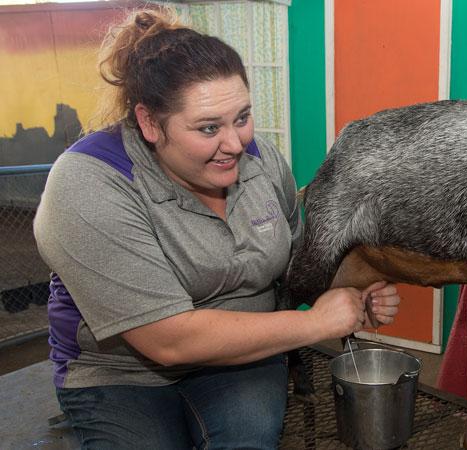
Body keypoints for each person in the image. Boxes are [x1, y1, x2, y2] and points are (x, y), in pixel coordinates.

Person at [33, 8, 400, 449]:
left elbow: (294, 263)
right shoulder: (89, 183)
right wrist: (318, 323)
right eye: (208, 128)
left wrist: (354, 292)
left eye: (242, 117)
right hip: (123, 373)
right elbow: (168, 340)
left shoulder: (260, 159)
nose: (236, 143)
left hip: (243, 357)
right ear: (150, 122)